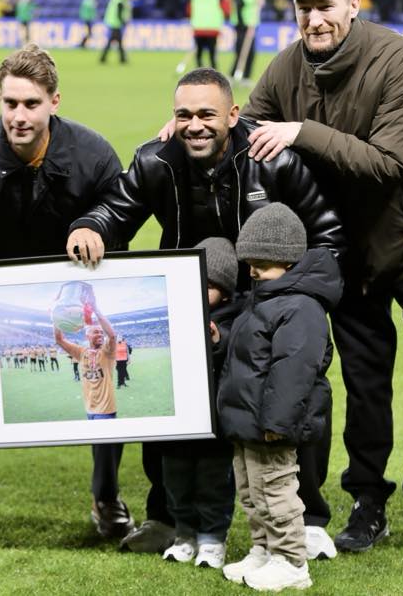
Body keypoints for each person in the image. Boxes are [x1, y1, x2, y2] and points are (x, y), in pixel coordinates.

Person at [67, 67, 346, 559]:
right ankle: (166, 517)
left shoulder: (272, 158)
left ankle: (310, 515)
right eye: (184, 115)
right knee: (171, 410)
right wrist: (91, 226)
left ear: (233, 115)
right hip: (195, 302)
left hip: (266, 300)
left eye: (207, 114)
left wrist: (298, 293)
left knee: (293, 398)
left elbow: (326, 231)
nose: (195, 125)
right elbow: (117, 207)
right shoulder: (156, 160)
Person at [243, 0, 403, 555]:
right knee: (366, 384)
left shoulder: (399, 60)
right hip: (347, 252)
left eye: (324, 5)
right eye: (303, 9)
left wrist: (300, 131)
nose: (313, 19)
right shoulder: (286, 66)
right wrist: (192, 127)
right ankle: (367, 500)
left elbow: (386, 164)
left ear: (354, 4)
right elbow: (250, 130)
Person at [0, 44, 132, 538]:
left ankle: (106, 496)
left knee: (102, 367)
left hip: (76, 287)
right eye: (10, 103)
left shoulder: (94, 154)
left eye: (31, 104)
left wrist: (94, 230)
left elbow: (120, 222)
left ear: (54, 102)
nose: (19, 116)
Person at [218, 204, 343, 591]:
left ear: (288, 262)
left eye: (262, 264)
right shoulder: (265, 299)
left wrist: (277, 423)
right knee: (252, 492)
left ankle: (291, 560)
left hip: (271, 425)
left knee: (275, 491)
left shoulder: (301, 307)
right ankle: (264, 550)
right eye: (250, 262)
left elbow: (294, 372)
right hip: (247, 422)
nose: (252, 272)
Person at [160, 237, 240, 570]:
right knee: (176, 478)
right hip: (178, 420)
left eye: (210, 286)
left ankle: (212, 539)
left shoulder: (236, 315)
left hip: (215, 423)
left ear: (225, 289)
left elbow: (239, 351)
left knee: (214, 481)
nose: (201, 292)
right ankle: (184, 534)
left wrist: (217, 340)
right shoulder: (172, 310)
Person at [54, 308, 120, 419]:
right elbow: (59, 340)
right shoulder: (81, 352)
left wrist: (95, 309)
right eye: (96, 332)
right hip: (89, 409)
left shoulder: (107, 352)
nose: (100, 335)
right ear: (87, 336)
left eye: (101, 333)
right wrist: (56, 318)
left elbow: (112, 336)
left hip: (105, 411)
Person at [230, 0, 263, 81]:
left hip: (252, 26)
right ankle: (233, 74)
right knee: (240, 51)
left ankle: (247, 76)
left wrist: (260, 2)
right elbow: (238, 12)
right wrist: (244, 26)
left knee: (251, 52)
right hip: (241, 27)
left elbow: (256, 5)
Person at [189, 0, 224, 70]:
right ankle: (214, 75)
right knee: (212, 54)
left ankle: (199, 75)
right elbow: (226, 10)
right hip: (212, 28)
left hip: (199, 28)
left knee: (199, 54)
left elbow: (190, 10)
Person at [100, 0, 133, 65]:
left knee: (116, 41)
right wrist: (122, 21)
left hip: (112, 22)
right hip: (116, 23)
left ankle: (120, 58)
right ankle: (120, 59)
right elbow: (119, 11)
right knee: (115, 41)